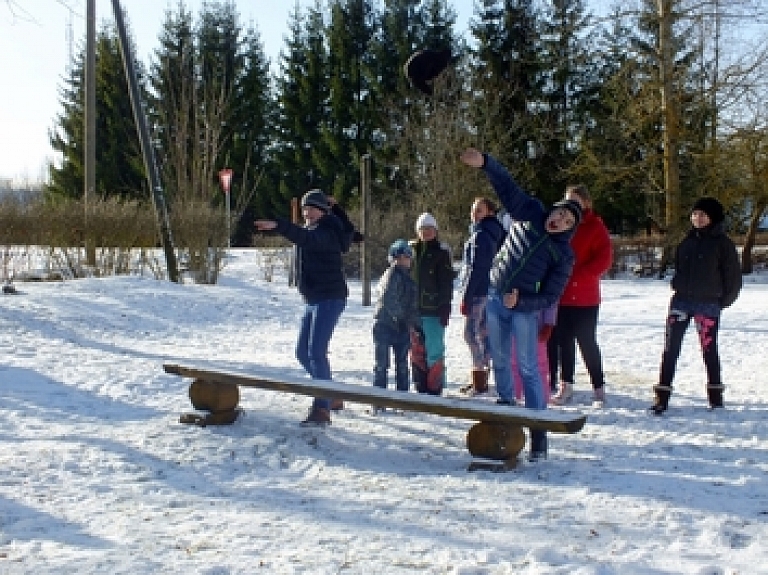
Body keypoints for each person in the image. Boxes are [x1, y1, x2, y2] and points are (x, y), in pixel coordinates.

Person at [459, 147, 580, 462]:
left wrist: (523, 300)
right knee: (499, 361)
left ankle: (539, 434)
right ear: (553, 210)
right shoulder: (531, 212)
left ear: (570, 228)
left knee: (527, 368)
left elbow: (552, 294)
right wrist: (486, 162)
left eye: (567, 221)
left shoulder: (563, 254)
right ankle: (506, 419)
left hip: (524, 309)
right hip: (495, 297)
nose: (559, 221)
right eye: (560, 214)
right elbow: (506, 186)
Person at [254, 189, 354, 426]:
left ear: (322, 211)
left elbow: (308, 239)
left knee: (316, 352)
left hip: (330, 297)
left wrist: (280, 225)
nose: (307, 213)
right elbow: (305, 236)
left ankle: (322, 409)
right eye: (304, 209)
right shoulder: (314, 230)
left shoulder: (327, 230)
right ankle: (331, 394)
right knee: (302, 353)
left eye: (311, 208)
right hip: (313, 299)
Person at [650, 196, 742, 415]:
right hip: (681, 301)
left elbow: (733, 278)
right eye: (695, 214)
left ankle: (715, 397)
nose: (697, 218)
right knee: (670, 349)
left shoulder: (723, 244)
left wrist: (722, 302)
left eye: (702, 214)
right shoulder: (687, 240)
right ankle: (662, 397)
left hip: (708, 305)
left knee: (709, 351)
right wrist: (677, 283)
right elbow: (680, 267)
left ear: (713, 217)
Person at [548, 185, 613, 408]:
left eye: (575, 200)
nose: (571, 205)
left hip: (586, 297)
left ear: (586, 202)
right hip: (563, 296)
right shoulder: (562, 225)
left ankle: (599, 387)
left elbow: (604, 258)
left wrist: (582, 274)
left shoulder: (595, 227)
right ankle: (566, 385)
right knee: (563, 342)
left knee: (587, 342)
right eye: (568, 200)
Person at [458, 197, 506, 395]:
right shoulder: (494, 233)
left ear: (490, 213)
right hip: (491, 291)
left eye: (479, 210)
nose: (474, 213)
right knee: (484, 334)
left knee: (471, 334)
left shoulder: (481, 236)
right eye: (473, 209)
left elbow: (476, 269)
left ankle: (480, 376)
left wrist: (466, 297)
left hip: (479, 291)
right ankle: (482, 377)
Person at [410, 212, 454, 395]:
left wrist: (445, 305)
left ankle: (435, 386)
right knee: (416, 349)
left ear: (435, 231)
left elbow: (446, 282)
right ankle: (420, 384)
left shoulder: (441, 253)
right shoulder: (411, 250)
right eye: (423, 229)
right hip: (413, 309)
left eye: (430, 229)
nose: (426, 232)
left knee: (434, 349)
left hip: (434, 309)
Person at [371, 239, 420, 404]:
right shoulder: (391, 274)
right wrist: (399, 317)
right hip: (385, 325)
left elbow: (412, 306)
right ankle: (379, 399)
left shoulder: (409, 280)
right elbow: (388, 298)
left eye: (407, 257)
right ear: (393, 258)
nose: (403, 260)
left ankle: (402, 400)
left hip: (402, 328)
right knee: (382, 364)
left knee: (402, 364)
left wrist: (415, 324)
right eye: (399, 257)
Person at [512, 302, 558, 403]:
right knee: (513, 364)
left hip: (537, 326)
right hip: (513, 325)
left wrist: (548, 323)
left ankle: (541, 401)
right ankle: (515, 398)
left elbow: (552, 297)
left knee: (539, 365)